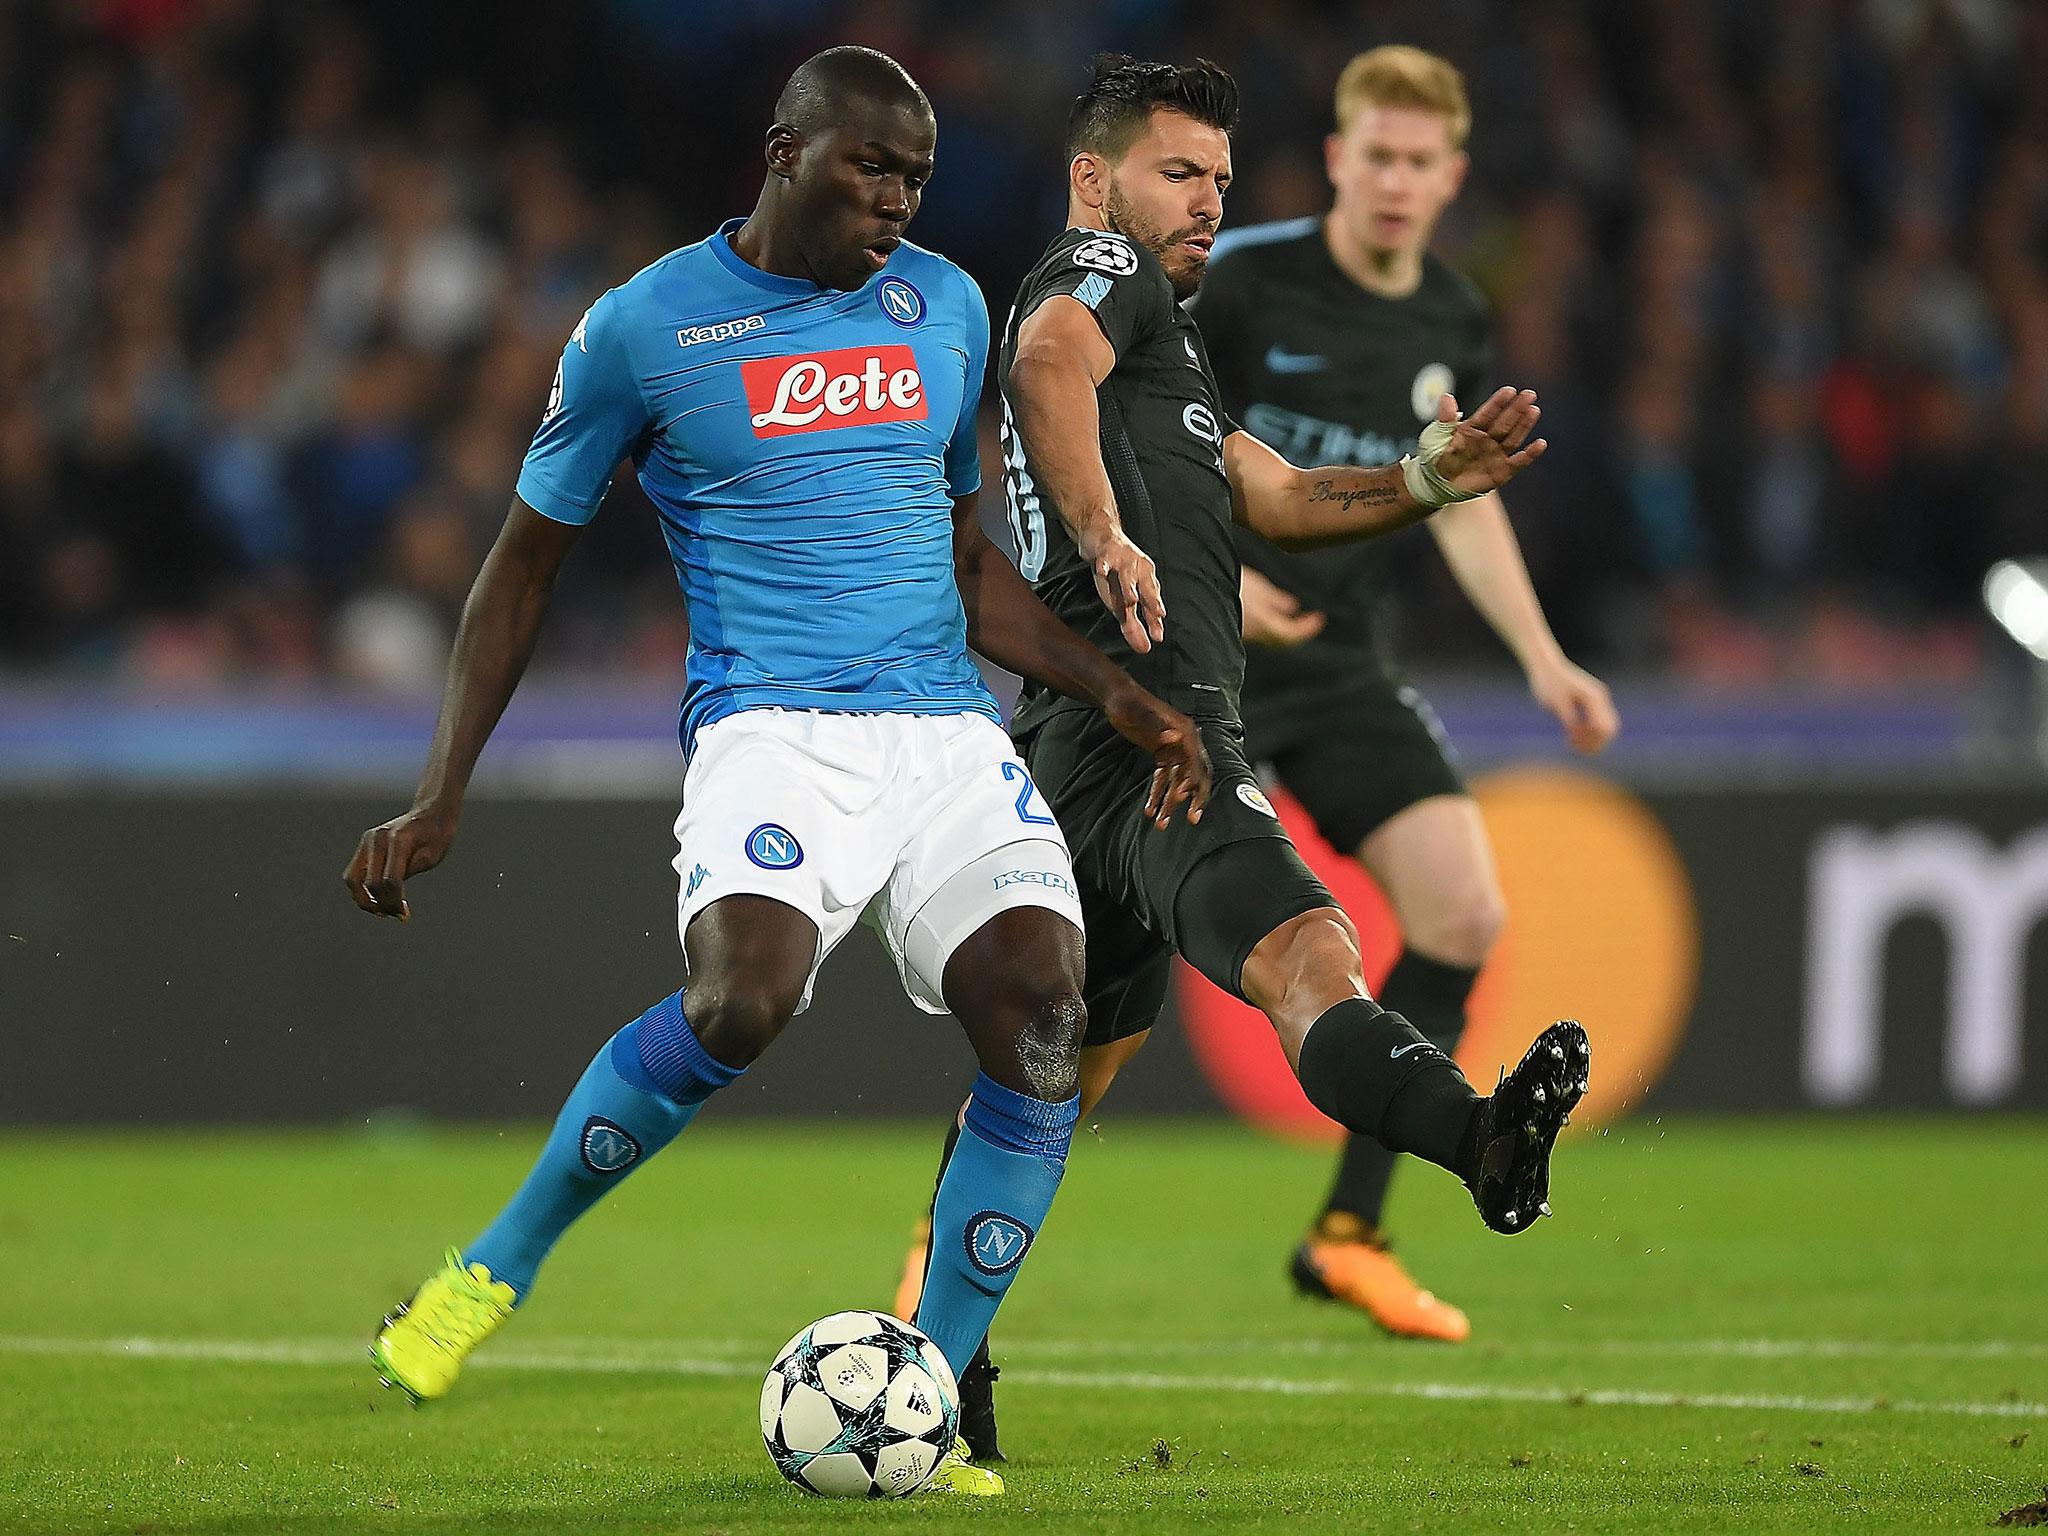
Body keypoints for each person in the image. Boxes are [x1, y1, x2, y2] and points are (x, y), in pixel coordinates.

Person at [346, 46, 1210, 1499]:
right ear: (783, 150)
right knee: (743, 1001)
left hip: (943, 734)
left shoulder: (940, 306)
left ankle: (922, 1402)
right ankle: (488, 1271)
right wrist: (443, 792)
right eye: (868, 169)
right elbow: (522, 567)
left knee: (1046, 1019)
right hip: (774, 731)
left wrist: (1111, 690)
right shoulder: (642, 328)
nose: (894, 202)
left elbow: (954, 554)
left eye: (916, 180)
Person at [891, 54, 1590, 1463]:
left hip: (1089, 749)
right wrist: (1104, 532)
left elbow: (1270, 490)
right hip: (1157, 740)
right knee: (1308, 954)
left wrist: (1425, 480)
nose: (1207, 200)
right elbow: (1042, 368)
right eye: (1177, 173)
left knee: (1047, 1099)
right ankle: (1471, 1144)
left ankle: (934, 1361)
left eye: (1218, 177)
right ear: (1097, 181)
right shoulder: (1097, 272)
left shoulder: (1172, 334)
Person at [1195, 46, 1620, 1344]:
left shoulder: (1444, 318)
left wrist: (1544, 655)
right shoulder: (1242, 282)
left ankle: (1351, 1234)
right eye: (1371, 155)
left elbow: (1454, 498)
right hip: (1199, 657)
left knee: (1465, 906)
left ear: (1451, 178)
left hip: (1337, 667)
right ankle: (951, 1227)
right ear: (1335, 158)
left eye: (1416, 162)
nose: (1391, 181)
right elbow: (1151, 433)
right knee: (1100, 993)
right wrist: (1219, 567)